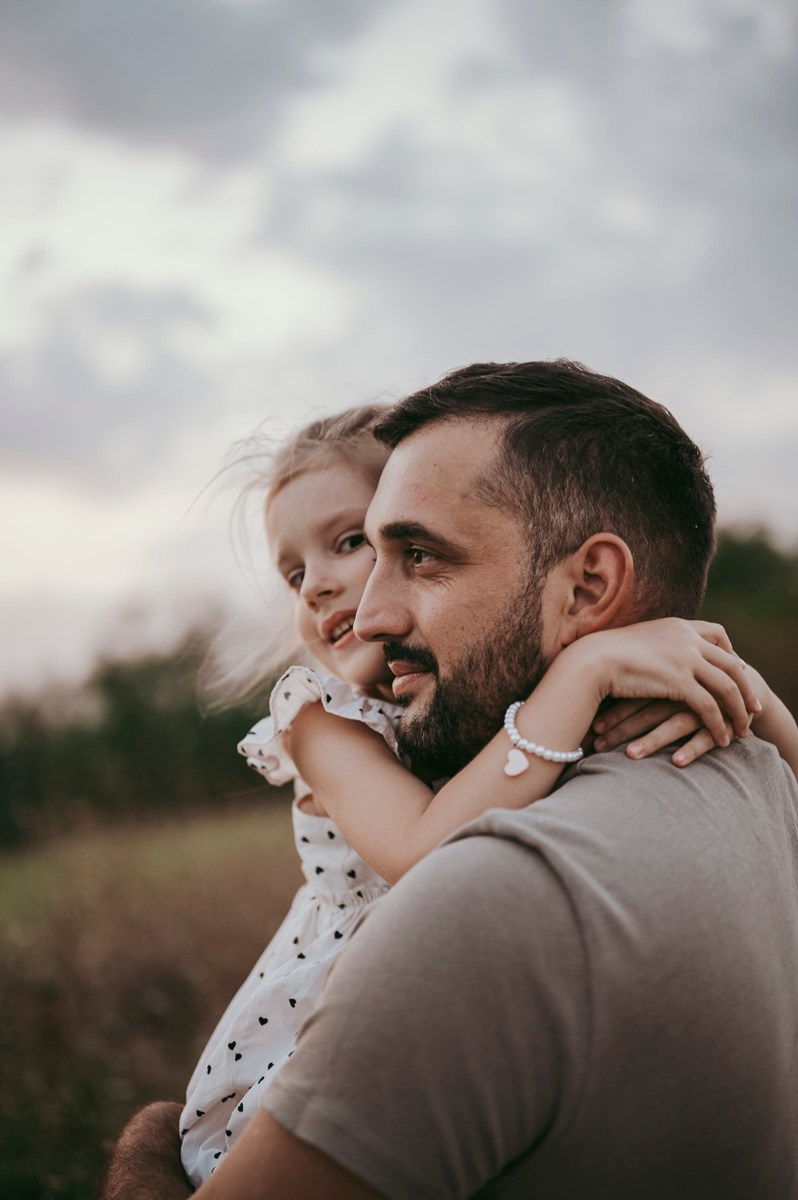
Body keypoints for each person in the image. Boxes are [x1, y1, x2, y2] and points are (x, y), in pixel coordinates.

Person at [102, 361, 798, 1199]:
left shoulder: (501, 898)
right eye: (295, 574)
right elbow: (429, 846)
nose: (350, 603)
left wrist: (735, 691)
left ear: (592, 586)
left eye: (406, 551)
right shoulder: (322, 716)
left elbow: (448, 862)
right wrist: (589, 674)